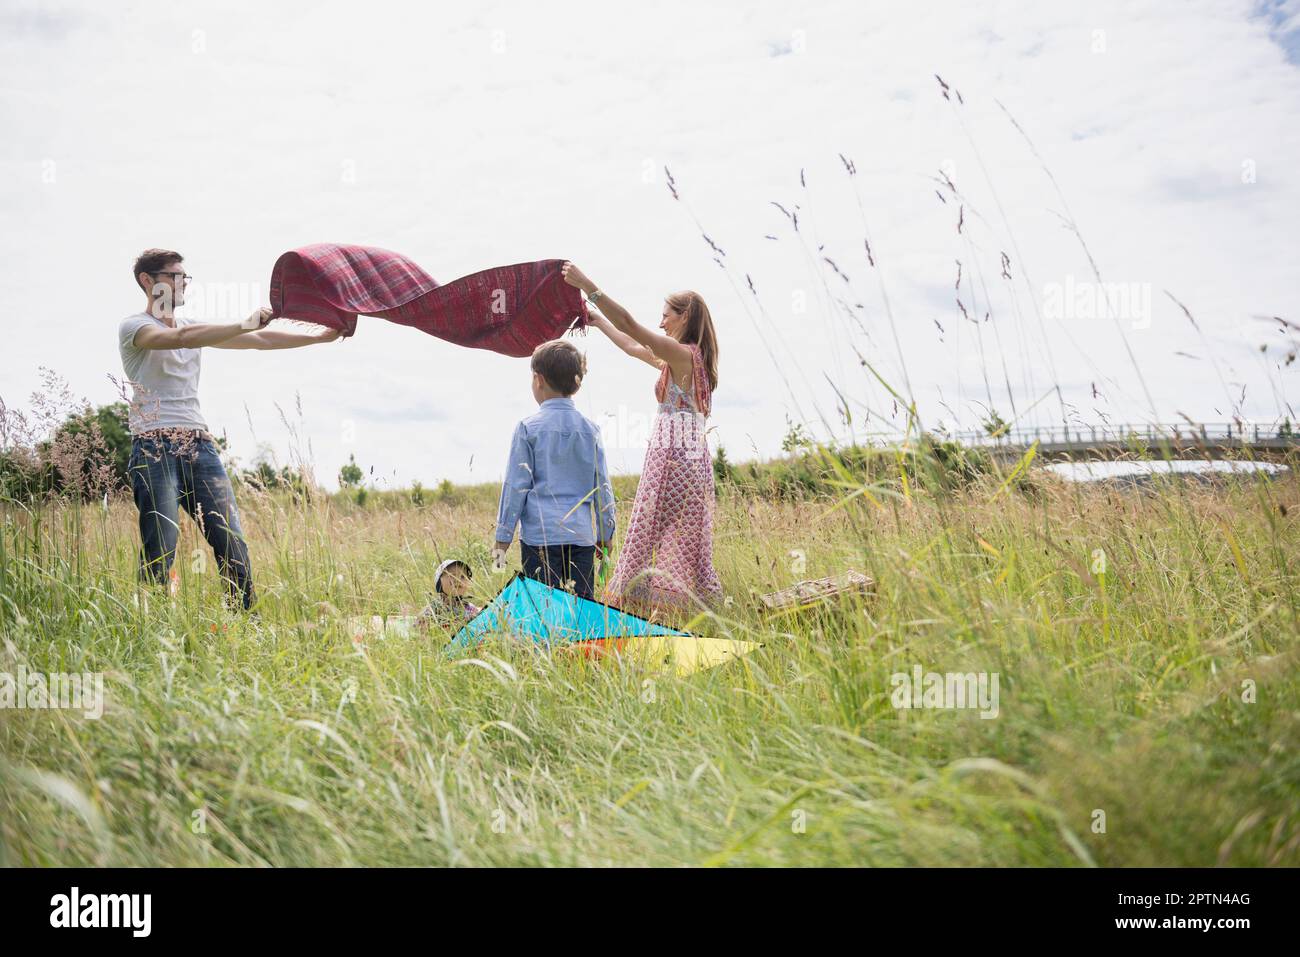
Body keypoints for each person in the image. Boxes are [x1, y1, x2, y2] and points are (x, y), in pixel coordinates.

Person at [118, 248, 339, 610]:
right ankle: (151, 625)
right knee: (162, 544)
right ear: (148, 281)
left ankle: (244, 620)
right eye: (174, 276)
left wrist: (319, 337)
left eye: (184, 277)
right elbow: (175, 340)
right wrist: (242, 323)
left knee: (229, 537)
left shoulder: (194, 328)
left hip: (200, 446)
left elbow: (261, 340)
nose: (181, 283)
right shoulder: (134, 326)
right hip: (153, 448)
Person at [560, 262, 722, 615]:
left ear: (685, 317)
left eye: (666, 316)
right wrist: (598, 321)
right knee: (677, 539)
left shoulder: (682, 355)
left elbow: (633, 326)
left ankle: (634, 607)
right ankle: (677, 609)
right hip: (692, 461)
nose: (662, 322)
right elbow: (634, 346)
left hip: (674, 461)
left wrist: (588, 284)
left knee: (647, 532)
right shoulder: (688, 360)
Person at [493, 339, 615, 600]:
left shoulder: (527, 428)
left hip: (540, 539)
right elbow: (603, 486)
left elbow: (515, 487)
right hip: (582, 537)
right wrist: (606, 535)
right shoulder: (590, 430)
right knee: (582, 614)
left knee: (544, 610)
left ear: (538, 379)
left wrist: (503, 539)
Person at [415, 558, 481, 631]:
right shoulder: (434, 609)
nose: (458, 580)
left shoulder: (470, 608)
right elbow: (419, 629)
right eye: (452, 576)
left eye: (462, 577)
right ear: (439, 583)